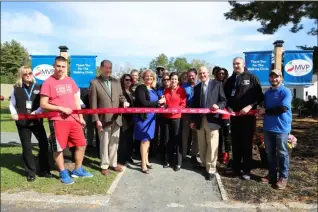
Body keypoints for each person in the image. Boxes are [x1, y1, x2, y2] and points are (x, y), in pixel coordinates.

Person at [40, 56, 93, 185]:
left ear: (66, 68)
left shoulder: (70, 81)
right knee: (58, 148)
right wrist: (60, 108)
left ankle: (78, 169)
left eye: (63, 67)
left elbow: (76, 99)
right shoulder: (48, 82)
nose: (60, 69)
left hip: (74, 119)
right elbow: (43, 104)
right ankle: (63, 172)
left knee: (81, 144)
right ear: (54, 66)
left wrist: (80, 117)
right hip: (57, 120)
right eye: (58, 66)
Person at [224, 57, 264, 180]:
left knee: (247, 143)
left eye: (238, 63)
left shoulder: (252, 78)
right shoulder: (230, 80)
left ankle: (246, 170)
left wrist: (250, 106)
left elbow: (259, 97)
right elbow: (225, 97)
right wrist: (228, 107)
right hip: (234, 117)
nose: (236, 66)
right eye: (234, 64)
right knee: (235, 143)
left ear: (244, 64)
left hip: (248, 117)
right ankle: (236, 168)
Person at [9, 66, 51, 182]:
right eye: (25, 74)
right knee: (27, 147)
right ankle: (30, 172)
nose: (28, 75)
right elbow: (12, 104)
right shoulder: (16, 88)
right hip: (22, 123)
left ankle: (44, 170)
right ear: (21, 76)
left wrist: (36, 112)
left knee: (44, 144)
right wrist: (14, 113)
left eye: (29, 73)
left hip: (36, 121)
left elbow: (43, 104)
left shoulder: (39, 87)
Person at [89, 60, 129, 176]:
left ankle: (113, 163)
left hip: (116, 118)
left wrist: (125, 102)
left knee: (114, 143)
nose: (108, 70)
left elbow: (121, 96)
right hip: (103, 119)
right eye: (106, 67)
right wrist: (96, 120)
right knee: (104, 142)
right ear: (101, 68)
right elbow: (93, 104)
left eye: (110, 68)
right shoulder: (94, 82)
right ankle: (104, 165)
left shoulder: (116, 82)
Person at [190, 66, 227, 180]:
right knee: (202, 144)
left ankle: (211, 169)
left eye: (204, 73)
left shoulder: (217, 84)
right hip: (200, 120)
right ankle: (204, 164)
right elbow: (194, 106)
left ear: (208, 73)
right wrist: (192, 120)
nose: (202, 75)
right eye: (200, 73)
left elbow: (224, 100)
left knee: (212, 145)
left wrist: (218, 106)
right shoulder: (196, 88)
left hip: (213, 120)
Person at [258, 69, 292, 190]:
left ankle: (283, 177)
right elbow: (265, 108)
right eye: (272, 77)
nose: (274, 79)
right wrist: (261, 111)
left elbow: (283, 108)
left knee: (282, 153)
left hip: (282, 128)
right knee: (270, 154)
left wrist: (265, 111)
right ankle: (272, 175)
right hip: (268, 127)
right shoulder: (267, 93)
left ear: (281, 78)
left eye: (276, 77)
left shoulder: (285, 92)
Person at [134, 69, 166, 174]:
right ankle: (143, 164)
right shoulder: (140, 88)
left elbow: (155, 104)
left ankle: (146, 160)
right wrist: (158, 102)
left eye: (151, 76)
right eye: (147, 76)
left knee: (148, 139)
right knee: (144, 140)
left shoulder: (153, 89)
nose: (149, 78)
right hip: (142, 118)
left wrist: (161, 102)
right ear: (143, 78)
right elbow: (144, 103)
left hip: (151, 118)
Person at [163, 72, 186, 171]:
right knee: (167, 140)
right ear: (169, 80)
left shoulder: (181, 90)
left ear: (178, 81)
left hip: (177, 118)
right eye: (172, 79)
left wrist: (175, 110)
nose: (174, 81)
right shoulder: (166, 90)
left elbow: (183, 104)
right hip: (166, 118)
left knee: (177, 140)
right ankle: (168, 160)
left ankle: (178, 162)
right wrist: (163, 105)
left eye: (175, 79)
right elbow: (165, 103)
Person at [181, 68, 199, 164]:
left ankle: (194, 155)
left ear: (196, 75)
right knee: (185, 134)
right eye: (189, 76)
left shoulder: (201, 85)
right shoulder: (184, 86)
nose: (191, 77)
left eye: (192, 75)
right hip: (186, 113)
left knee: (196, 135)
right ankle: (183, 155)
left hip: (197, 114)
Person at [118, 74, 135, 166]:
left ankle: (129, 157)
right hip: (123, 119)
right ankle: (122, 159)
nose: (128, 82)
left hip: (132, 119)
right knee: (123, 139)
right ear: (123, 81)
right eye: (126, 80)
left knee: (130, 139)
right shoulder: (121, 92)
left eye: (130, 80)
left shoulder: (132, 92)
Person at [215, 68, 231, 164]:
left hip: (226, 114)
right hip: (217, 114)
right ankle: (219, 153)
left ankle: (227, 154)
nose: (221, 75)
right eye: (219, 73)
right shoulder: (214, 84)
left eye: (223, 73)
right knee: (219, 135)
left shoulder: (228, 85)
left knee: (227, 136)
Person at [155, 72, 171, 156]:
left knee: (168, 134)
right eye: (164, 79)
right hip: (160, 115)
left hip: (171, 115)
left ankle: (168, 152)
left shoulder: (173, 89)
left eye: (168, 79)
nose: (166, 81)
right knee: (160, 133)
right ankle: (160, 150)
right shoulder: (159, 90)